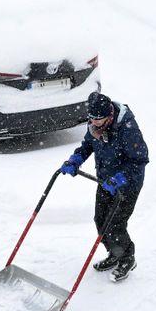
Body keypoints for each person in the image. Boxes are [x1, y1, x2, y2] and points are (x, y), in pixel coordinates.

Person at [59, 92, 149, 282]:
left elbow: (140, 160)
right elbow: (87, 146)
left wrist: (119, 179)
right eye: (91, 118)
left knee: (115, 224)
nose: (94, 123)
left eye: (98, 119)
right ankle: (115, 253)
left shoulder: (127, 128)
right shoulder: (94, 125)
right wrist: (75, 160)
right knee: (100, 220)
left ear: (109, 115)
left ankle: (127, 258)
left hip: (127, 184)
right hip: (105, 181)